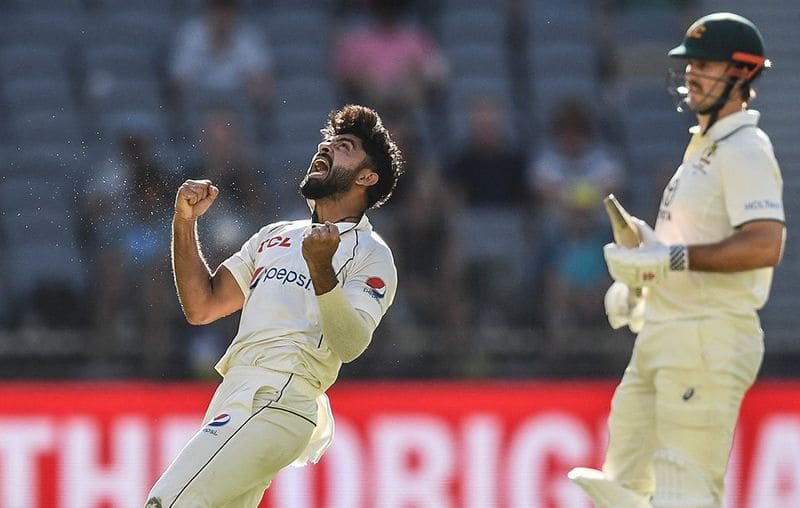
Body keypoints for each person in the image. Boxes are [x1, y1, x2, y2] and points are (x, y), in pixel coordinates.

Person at [568, 12, 786, 507]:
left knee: (683, 491)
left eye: (706, 65)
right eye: (691, 64)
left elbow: (765, 244)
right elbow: (679, 249)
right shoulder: (703, 149)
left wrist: (667, 260)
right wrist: (640, 280)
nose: (692, 74)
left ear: (742, 74)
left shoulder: (745, 148)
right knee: (621, 487)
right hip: (665, 332)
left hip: (708, 335)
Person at [145, 105, 404, 507]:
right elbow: (202, 306)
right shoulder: (277, 234)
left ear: (366, 177)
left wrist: (322, 270)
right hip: (234, 392)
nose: (326, 147)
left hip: (281, 393)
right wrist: (184, 222)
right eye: (327, 141)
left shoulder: (371, 253)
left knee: (166, 502)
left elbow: (350, 344)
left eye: (345, 147)